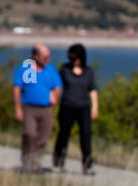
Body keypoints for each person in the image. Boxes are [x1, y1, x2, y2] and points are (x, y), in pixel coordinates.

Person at [12, 44, 61, 174]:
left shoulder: (50, 69)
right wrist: (18, 108)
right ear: (36, 57)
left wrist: (54, 101)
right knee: (30, 134)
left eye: (49, 56)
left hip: (46, 109)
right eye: (45, 57)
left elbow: (57, 88)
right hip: (29, 107)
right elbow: (17, 88)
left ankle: (36, 164)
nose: (48, 59)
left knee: (43, 138)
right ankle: (27, 162)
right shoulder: (27, 68)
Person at [53, 43, 99, 175]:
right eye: (71, 58)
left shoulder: (89, 71)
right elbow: (56, 87)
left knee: (86, 136)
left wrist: (95, 107)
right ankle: (58, 161)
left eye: (75, 58)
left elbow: (92, 89)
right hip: (67, 106)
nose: (73, 61)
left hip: (83, 107)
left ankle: (87, 164)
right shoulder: (64, 69)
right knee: (63, 134)